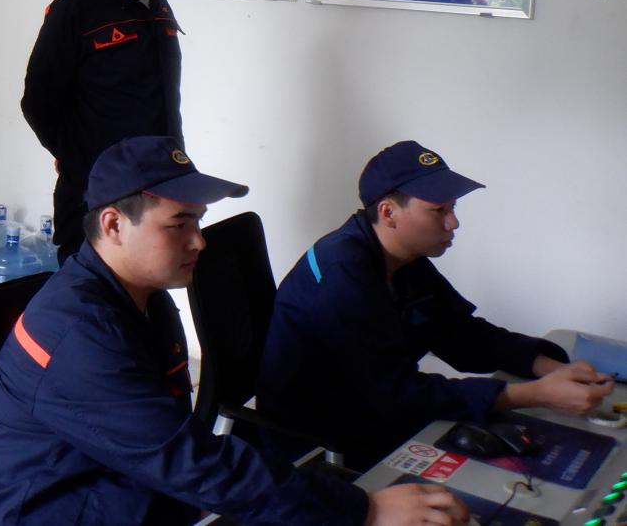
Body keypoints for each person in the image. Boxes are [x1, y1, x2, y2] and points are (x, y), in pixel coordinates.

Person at [0, 135, 471, 526]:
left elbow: (178, 455)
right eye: (179, 224)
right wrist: (364, 509)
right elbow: (190, 464)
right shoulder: (79, 335)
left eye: (198, 222)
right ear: (114, 225)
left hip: (127, 499)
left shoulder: (144, 301)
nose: (199, 242)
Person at [257, 140, 613, 470]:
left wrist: (546, 366)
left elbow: (459, 333)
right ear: (389, 212)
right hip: (325, 438)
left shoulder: (401, 257)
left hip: (375, 407)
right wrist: (533, 395)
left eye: (453, 207)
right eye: (438, 210)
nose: (453, 222)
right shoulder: (344, 275)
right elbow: (397, 395)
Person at [21, 0, 184, 262]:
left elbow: (162, 98)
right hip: (97, 189)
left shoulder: (155, 4)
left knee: (148, 282)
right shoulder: (75, 9)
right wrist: (73, 154)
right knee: (91, 285)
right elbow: (38, 101)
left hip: (156, 181)